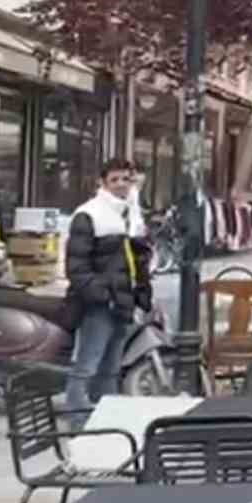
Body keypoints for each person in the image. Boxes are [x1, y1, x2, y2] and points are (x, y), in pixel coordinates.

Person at [64, 159, 151, 408]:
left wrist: (141, 294)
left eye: (126, 179)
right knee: (87, 366)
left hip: (122, 301)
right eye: (114, 180)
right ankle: (77, 420)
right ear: (102, 183)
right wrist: (103, 296)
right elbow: (76, 267)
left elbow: (137, 262)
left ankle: (105, 420)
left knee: (111, 368)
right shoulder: (90, 214)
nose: (121, 185)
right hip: (100, 305)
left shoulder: (131, 215)